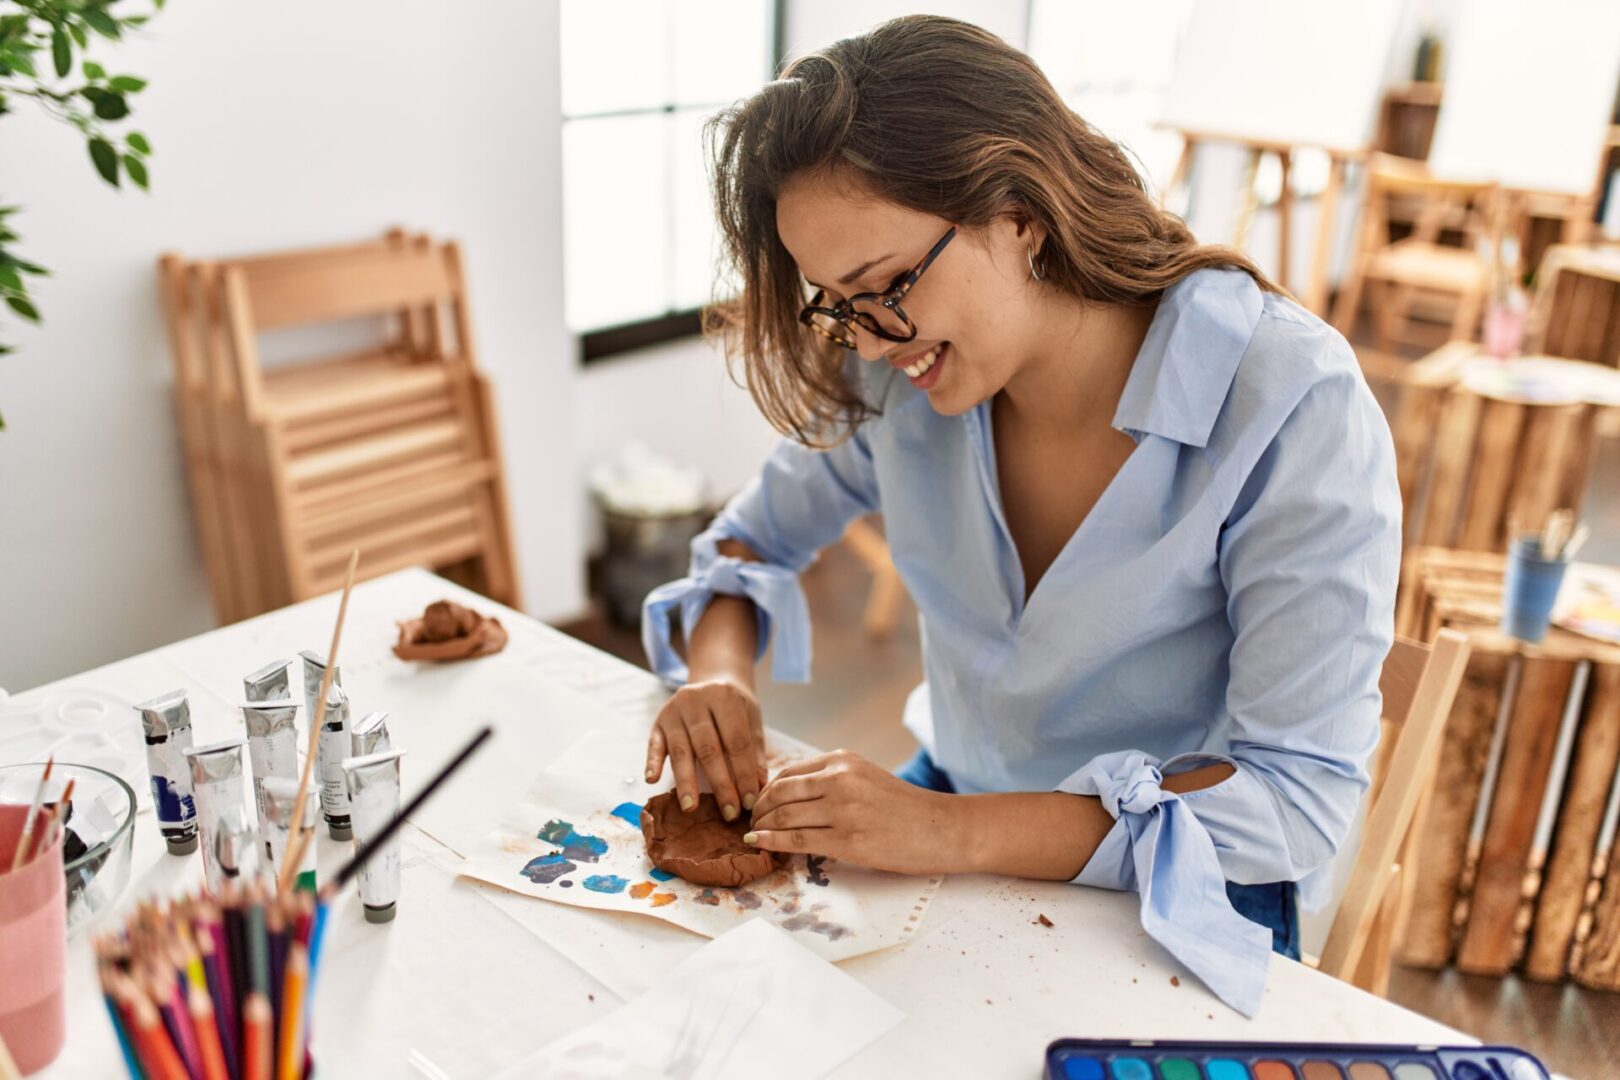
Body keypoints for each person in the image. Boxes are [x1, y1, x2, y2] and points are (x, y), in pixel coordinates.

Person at [640, 16, 1399, 1015]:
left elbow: (1290, 808)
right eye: (835, 305)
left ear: (1021, 212)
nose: (866, 346)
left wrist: (947, 831)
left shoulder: (1288, 402)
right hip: (935, 814)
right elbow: (750, 540)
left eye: (885, 288)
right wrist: (719, 676)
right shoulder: (906, 377)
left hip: (1179, 898)